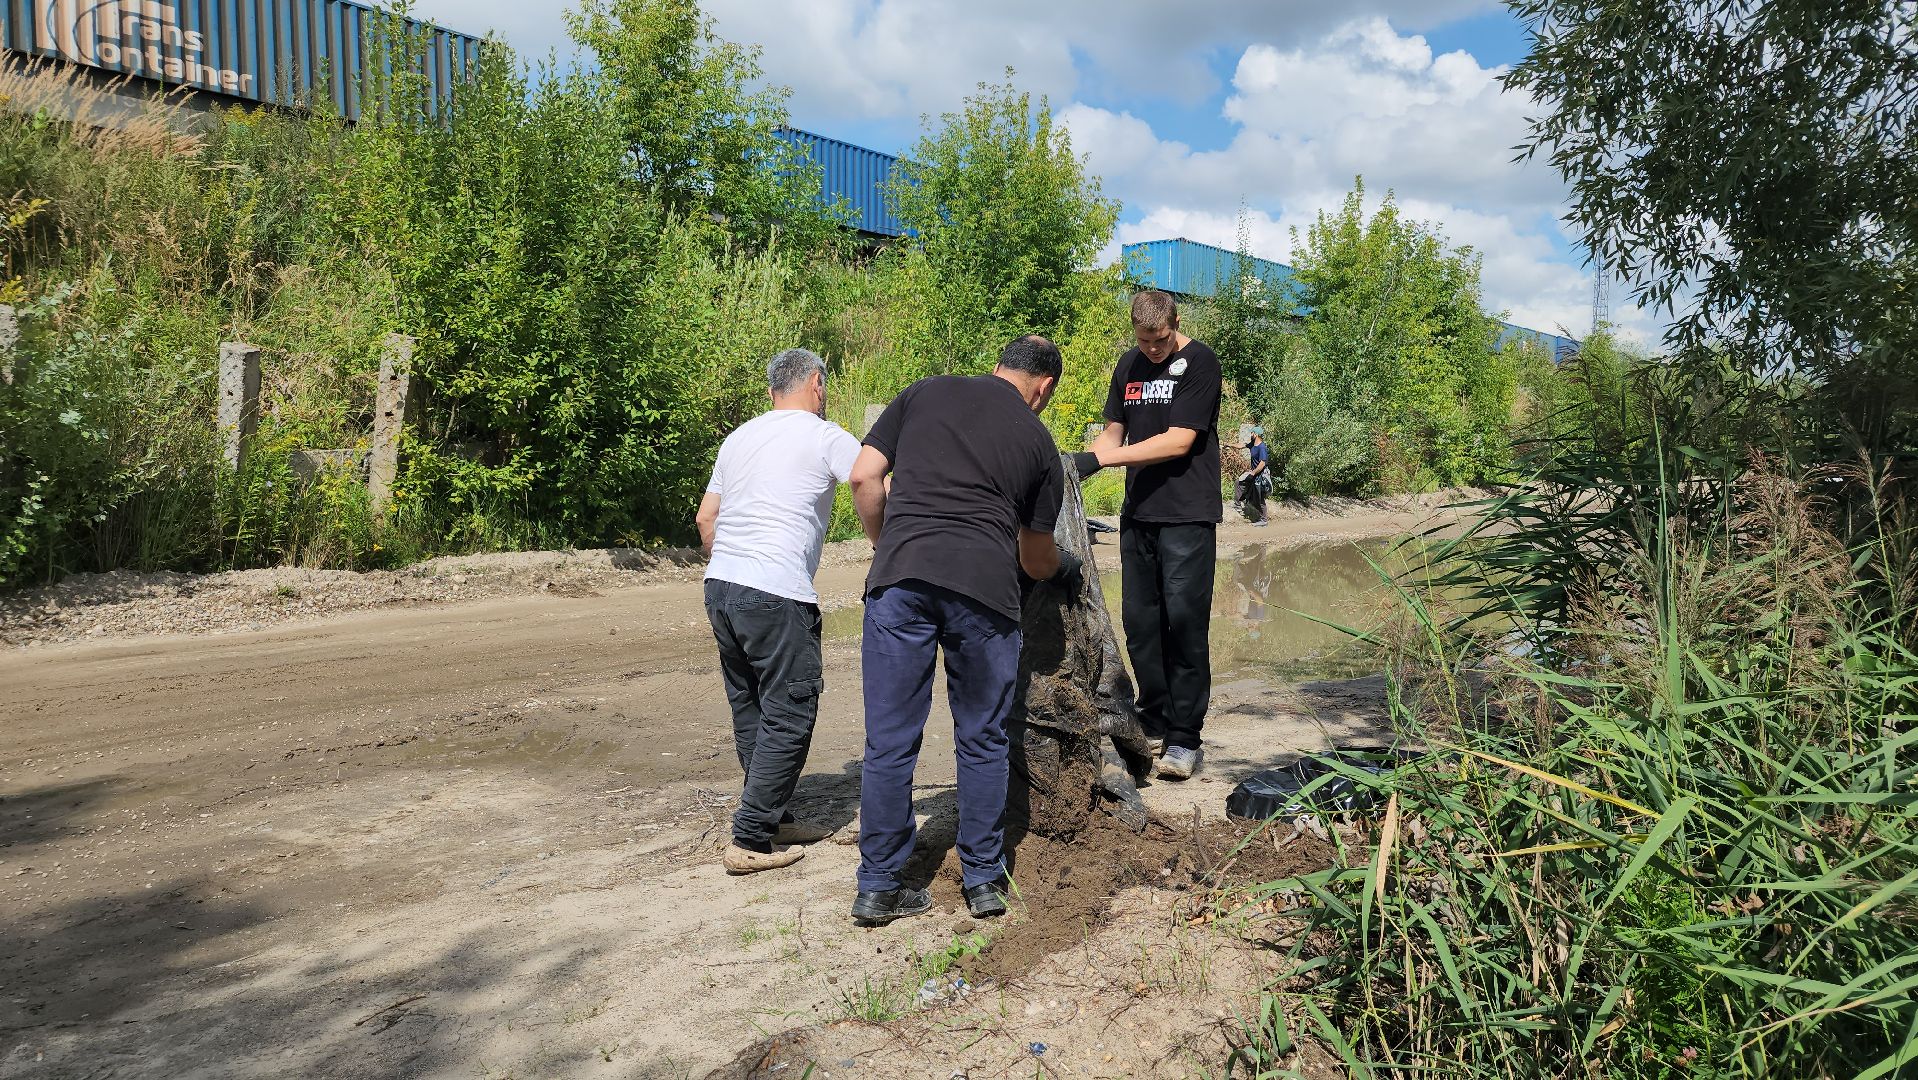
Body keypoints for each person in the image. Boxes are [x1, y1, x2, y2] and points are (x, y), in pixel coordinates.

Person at [845, 335, 1077, 926]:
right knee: (982, 738)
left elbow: (864, 478)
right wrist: (1064, 569)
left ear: (999, 365)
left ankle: (877, 888)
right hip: (984, 593)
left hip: (901, 583)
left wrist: (889, 548)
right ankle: (982, 882)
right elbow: (1035, 557)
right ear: (1043, 387)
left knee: (890, 739)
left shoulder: (926, 392)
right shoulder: (1038, 442)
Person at [696, 348, 862, 875]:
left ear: (772, 392)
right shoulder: (824, 435)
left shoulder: (740, 436)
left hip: (721, 585)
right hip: (775, 590)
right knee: (791, 711)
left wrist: (737, 558)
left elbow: (707, 519)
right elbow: (867, 478)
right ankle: (748, 838)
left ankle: (773, 816)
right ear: (817, 384)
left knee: (752, 708)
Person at [1073, 290, 1221, 781]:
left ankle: (1185, 736)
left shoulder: (1200, 363)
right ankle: (1154, 712)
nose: (1152, 349)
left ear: (1175, 324)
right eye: (1143, 340)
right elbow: (1115, 431)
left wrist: (1101, 460)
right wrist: (1081, 466)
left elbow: (1179, 441)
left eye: (1159, 341)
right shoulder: (1130, 364)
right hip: (1140, 514)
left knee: (1183, 620)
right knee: (1140, 621)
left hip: (1187, 514)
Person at [1239, 427, 1270, 526]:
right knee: (1239, 483)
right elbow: (1242, 445)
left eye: (1251, 432)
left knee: (1260, 498)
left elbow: (1262, 463)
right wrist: (1229, 444)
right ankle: (1238, 505)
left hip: (1260, 476)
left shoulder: (1262, 447)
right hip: (1254, 474)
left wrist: (1253, 473)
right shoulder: (1253, 444)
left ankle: (1264, 520)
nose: (1250, 434)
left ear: (1256, 434)